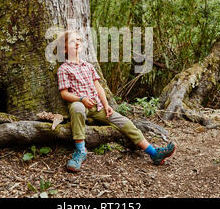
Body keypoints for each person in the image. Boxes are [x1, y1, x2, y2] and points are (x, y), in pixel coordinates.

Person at [56, 30, 176, 172]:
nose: (76, 43)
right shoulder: (64, 69)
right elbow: (64, 93)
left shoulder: (88, 66)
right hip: (80, 103)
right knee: (77, 108)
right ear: (64, 49)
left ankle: (154, 153)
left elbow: (98, 87)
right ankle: (80, 151)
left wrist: (106, 105)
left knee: (125, 122)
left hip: (97, 106)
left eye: (78, 40)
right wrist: (81, 99)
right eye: (71, 41)